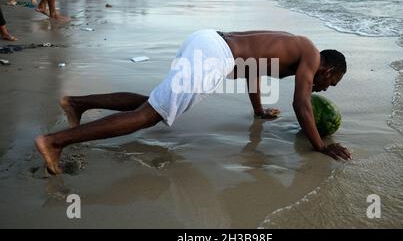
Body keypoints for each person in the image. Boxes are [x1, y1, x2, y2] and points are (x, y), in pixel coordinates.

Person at [35, 30, 351, 174]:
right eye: (330, 82)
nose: (325, 89)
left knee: (155, 103)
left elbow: (254, 71)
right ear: (328, 68)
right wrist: (320, 146)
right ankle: (55, 142)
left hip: (208, 40)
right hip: (216, 55)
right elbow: (302, 104)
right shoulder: (311, 53)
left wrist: (258, 111)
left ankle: (76, 104)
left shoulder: (295, 50)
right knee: (151, 114)